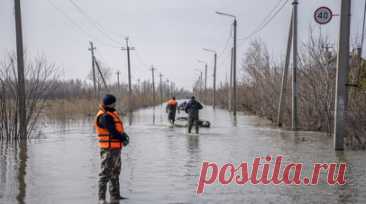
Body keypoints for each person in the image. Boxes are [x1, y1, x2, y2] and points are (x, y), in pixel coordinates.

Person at [95, 94, 129, 204]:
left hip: (115, 150)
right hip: (108, 150)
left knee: (115, 173)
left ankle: (115, 197)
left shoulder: (111, 113)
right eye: (114, 103)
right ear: (110, 104)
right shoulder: (104, 116)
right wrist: (123, 138)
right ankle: (101, 199)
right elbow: (113, 132)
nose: (115, 105)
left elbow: (117, 131)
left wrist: (123, 137)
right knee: (105, 174)